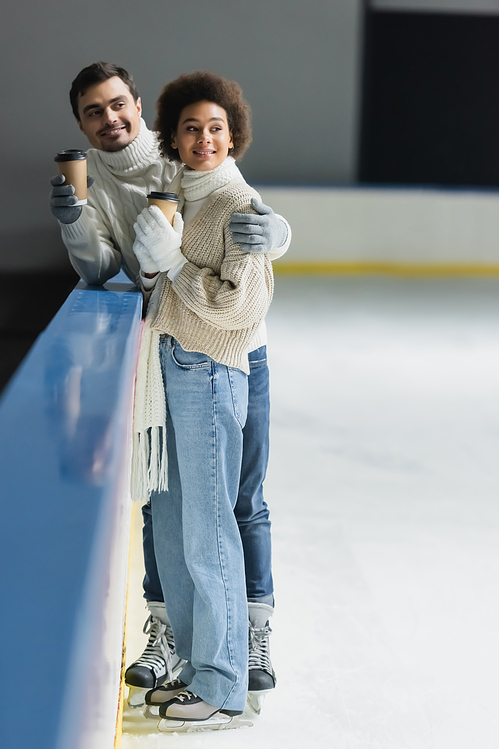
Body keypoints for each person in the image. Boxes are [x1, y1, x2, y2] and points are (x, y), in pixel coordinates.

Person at [49, 62, 287, 707]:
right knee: (179, 511)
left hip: (229, 354)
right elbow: (102, 267)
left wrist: (277, 233)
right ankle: (187, 641)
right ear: (80, 122)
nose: (110, 119)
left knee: (237, 505)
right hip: (176, 351)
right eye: (94, 111)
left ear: (138, 109)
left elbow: (238, 223)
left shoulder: (175, 159)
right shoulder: (108, 179)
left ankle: (241, 644)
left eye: (118, 104)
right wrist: (75, 217)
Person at [129, 69, 275, 729]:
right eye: (192, 127)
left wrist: (178, 267)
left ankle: (222, 686)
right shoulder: (181, 197)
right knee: (174, 526)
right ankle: (193, 666)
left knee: (209, 530)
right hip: (173, 371)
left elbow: (241, 305)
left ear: (233, 135)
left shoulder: (239, 206)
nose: (204, 137)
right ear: (175, 137)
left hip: (210, 371)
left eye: (216, 127)